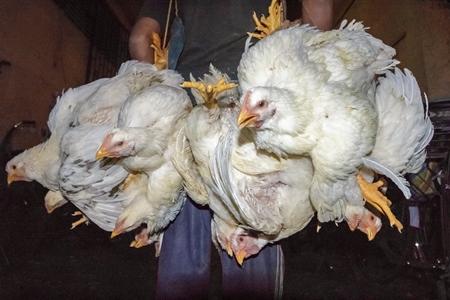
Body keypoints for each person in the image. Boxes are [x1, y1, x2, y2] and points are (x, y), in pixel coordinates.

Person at [128, 1, 333, 299]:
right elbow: (317, 22)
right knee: (250, 241)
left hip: (188, 110)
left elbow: (139, 38)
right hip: (253, 107)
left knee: (181, 256)